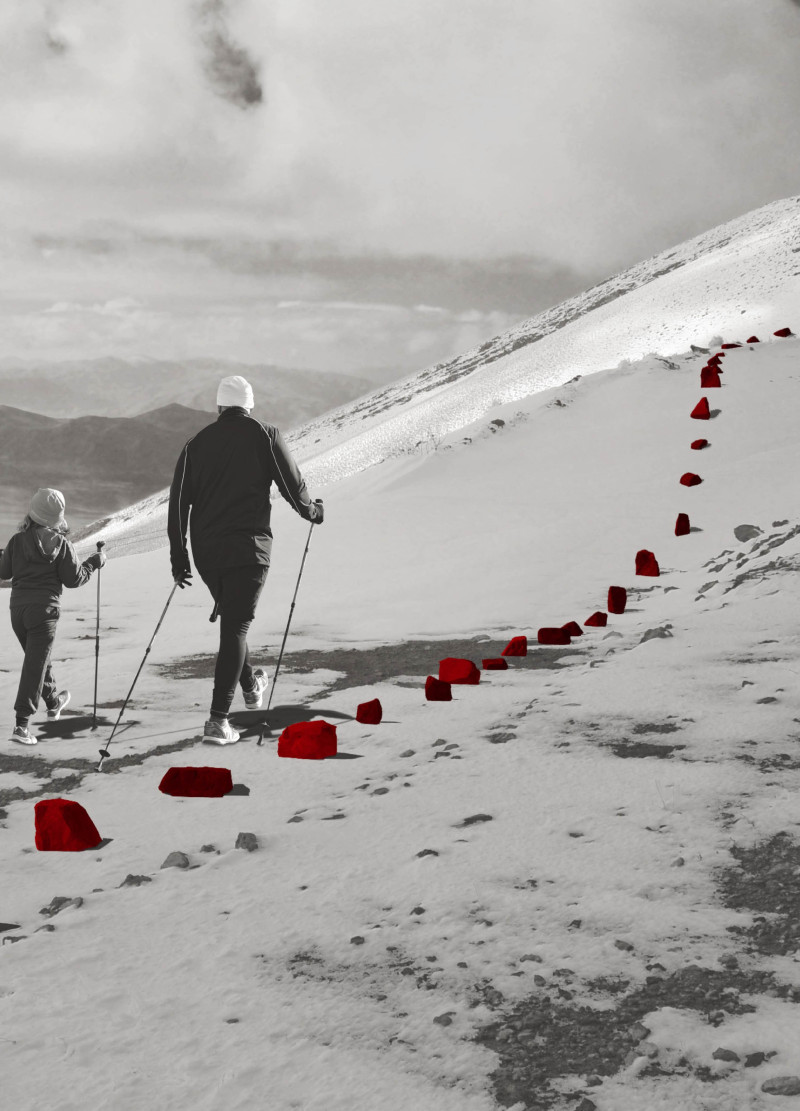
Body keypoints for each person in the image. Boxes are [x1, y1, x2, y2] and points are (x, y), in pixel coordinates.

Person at [168, 375, 324, 744]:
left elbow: (177, 505)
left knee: (232, 623)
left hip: (208, 554)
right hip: (249, 549)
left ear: (219, 407)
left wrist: (180, 557)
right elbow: (291, 484)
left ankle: (252, 686)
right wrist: (312, 512)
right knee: (236, 627)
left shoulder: (196, 444)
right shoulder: (264, 434)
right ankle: (218, 720)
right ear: (249, 405)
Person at [0, 488, 106, 744]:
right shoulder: (61, 545)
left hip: (18, 611)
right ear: (57, 517)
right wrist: (96, 561)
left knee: (39, 658)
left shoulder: (16, 541)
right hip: (45, 612)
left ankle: (53, 702)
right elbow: (75, 579)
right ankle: (21, 726)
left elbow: (4, 573)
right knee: (35, 665)